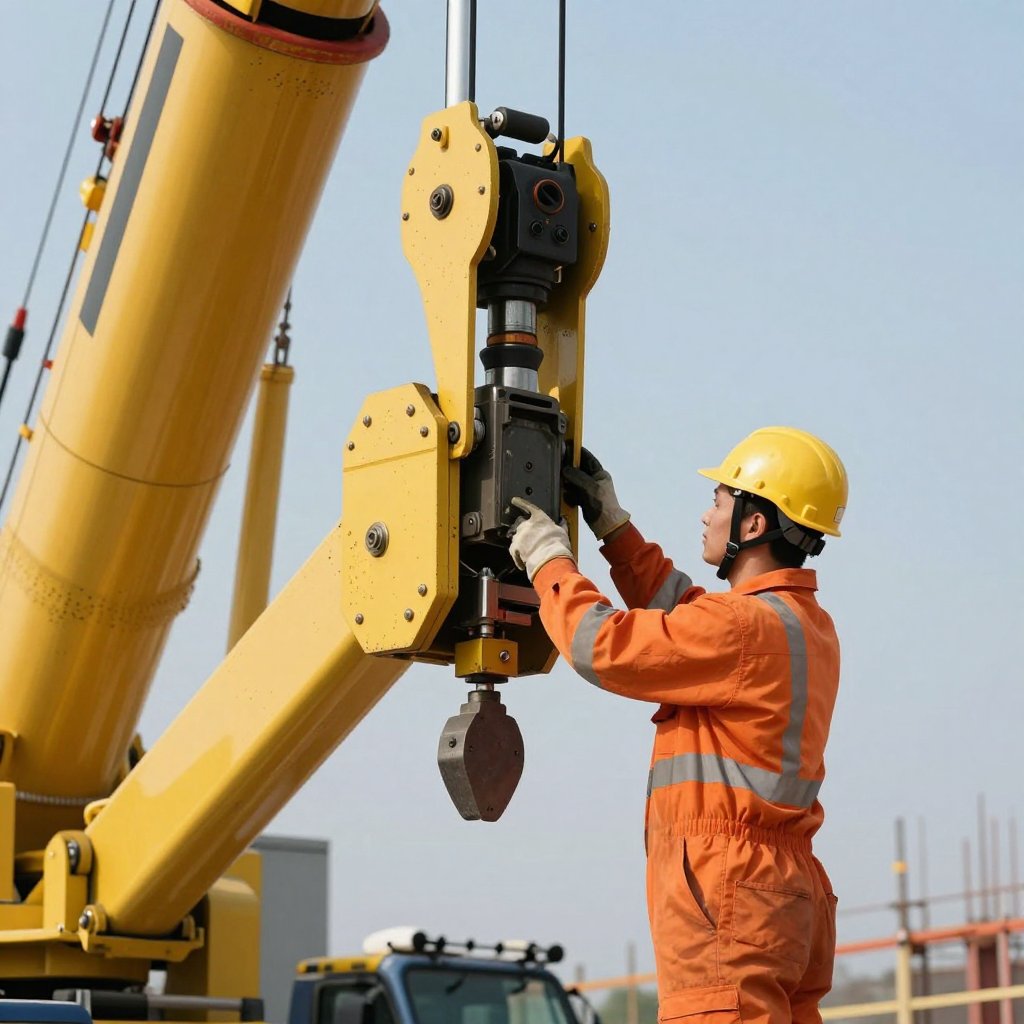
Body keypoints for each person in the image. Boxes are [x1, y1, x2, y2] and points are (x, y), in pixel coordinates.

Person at [508, 426, 848, 1024]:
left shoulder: (742, 628)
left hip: (727, 893)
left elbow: (600, 646)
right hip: (787, 894)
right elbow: (685, 614)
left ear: (753, 525)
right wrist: (612, 528)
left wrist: (546, 557)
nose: (707, 515)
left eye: (719, 502)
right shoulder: (804, 625)